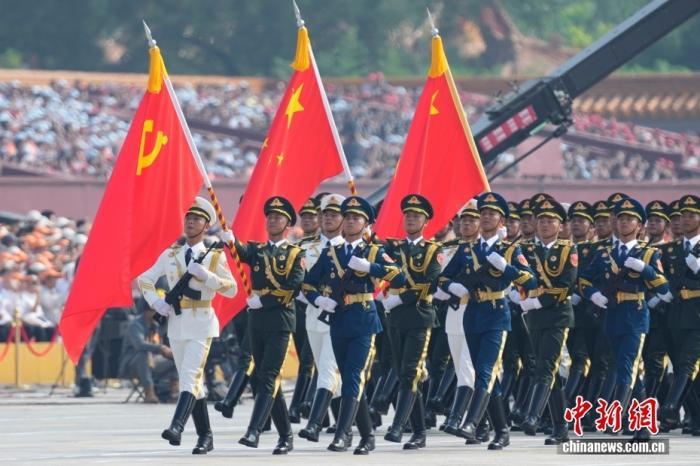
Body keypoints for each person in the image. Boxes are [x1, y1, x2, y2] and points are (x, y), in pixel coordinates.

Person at [304, 195, 404, 454]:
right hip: (338, 319)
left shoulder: (373, 251)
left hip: (363, 320)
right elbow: (307, 283)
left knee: (353, 377)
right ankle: (367, 436)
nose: (349, 221)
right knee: (349, 379)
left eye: (356, 218)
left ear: (366, 224)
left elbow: (399, 276)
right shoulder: (331, 253)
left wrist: (371, 267)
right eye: (347, 217)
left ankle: (342, 433)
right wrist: (318, 300)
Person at [138, 197, 237, 455]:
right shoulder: (171, 254)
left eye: (196, 219)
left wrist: (208, 276)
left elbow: (232, 289)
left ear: (206, 225)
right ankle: (205, 436)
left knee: (191, 376)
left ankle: (177, 426)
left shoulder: (214, 256)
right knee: (192, 382)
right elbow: (144, 279)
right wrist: (156, 302)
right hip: (177, 323)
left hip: (202, 323)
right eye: (188, 218)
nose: (191, 222)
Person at [439, 192, 536, 450]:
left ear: (501, 219)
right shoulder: (467, 249)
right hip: (472, 313)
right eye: (483, 213)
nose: (486, 217)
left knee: (485, 370)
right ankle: (502, 430)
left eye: (491, 213)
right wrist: (453, 287)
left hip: (496, 313)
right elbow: (443, 278)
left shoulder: (510, 250)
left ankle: (472, 422)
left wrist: (506, 268)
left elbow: (530, 281)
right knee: (488, 376)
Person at [580, 197, 671, 440]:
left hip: (635, 316)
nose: (624, 222)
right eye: (620, 218)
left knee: (628, 366)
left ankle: (617, 415)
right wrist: (593, 294)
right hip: (612, 315)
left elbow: (664, 287)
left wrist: (645, 269)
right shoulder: (604, 253)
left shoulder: (648, 253)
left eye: (630, 219)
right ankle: (644, 426)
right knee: (626, 369)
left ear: (639, 225)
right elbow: (584, 279)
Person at [229, 196, 305, 455]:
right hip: (257, 321)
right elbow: (241, 251)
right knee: (266, 379)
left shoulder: (295, 254)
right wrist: (230, 239)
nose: (272, 220)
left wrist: (264, 300)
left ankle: (254, 430)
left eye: (278, 217)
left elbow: (292, 287)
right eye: (270, 216)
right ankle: (286, 436)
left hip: (280, 321)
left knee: (269, 376)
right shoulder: (258, 250)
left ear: (288, 224)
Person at [382, 194, 442, 450]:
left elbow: (430, 283)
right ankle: (419, 432)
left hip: (419, 317)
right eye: (407, 215)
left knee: (410, 372)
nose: (410, 219)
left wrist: (400, 298)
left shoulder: (433, 251)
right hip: (396, 319)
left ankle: (398, 426)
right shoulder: (392, 249)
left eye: (416, 216)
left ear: (425, 222)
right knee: (406, 375)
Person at [518, 199, 577, 445]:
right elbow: (519, 277)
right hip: (533, 317)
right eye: (541, 220)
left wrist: (538, 302)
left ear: (560, 225)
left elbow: (566, 285)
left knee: (547, 366)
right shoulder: (525, 249)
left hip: (557, 315)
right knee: (548, 370)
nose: (544, 224)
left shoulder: (568, 249)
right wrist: (522, 296)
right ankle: (561, 428)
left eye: (550, 220)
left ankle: (532, 415)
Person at [298, 194, 346, 442]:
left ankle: (314, 424)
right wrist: (314, 299)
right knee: (328, 371)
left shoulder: (351, 247)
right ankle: (345, 424)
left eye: (334, 215)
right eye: (325, 214)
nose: (328, 218)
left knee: (327, 370)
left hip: (341, 317)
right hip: (313, 315)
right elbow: (297, 281)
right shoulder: (305, 247)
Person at [658, 195, 700, 430]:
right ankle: (696, 417)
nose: (685, 219)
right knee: (682, 364)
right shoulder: (670, 249)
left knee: (687, 364)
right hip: (674, 314)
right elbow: (661, 278)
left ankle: (671, 407)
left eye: (691, 215)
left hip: (697, 315)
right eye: (683, 215)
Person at [439, 201, 478, 436]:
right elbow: (441, 279)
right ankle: (486, 423)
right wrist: (446, 287)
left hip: (478, 313)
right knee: (462, 367)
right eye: (463, 220)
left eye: (472, 220)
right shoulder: (452, 249)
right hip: (454, 313)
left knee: (467, 368)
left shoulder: (489, 249)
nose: (466, 224)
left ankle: (456, 418)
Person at [288, 197, 321, 423]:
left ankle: (299, 404)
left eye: (312, 216)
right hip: (300, 307)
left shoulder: (325, 245)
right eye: (304, 217)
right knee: (304, 356)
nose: (307, 220)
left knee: (312, 358)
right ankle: (311, 408)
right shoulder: (297, 247)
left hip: (320, 305)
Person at [118, 300, 174, 403]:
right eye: (154, 311)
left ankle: (174, 392)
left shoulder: (155, 325)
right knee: (143, 354)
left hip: (152, 362)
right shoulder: (135, 325)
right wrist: (161, 348)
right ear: (147, 312)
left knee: (175, 358)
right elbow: (139, 345)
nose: (157, 314)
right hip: (131, 364)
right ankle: (149, 392)